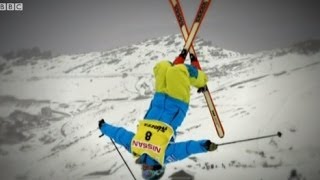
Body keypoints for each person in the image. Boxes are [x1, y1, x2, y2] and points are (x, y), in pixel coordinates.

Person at [99, 52, 218, 180]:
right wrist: (204, 146)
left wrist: (104, 127)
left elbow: (120, 135)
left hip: (159, 100)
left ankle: (177, 65)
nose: (144, 171)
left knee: (161, 67)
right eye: (148, 174)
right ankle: (201, 78)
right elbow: (186, 148)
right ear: (157, 171)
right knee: (178, 72)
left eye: (144, 174)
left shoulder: (135, 150)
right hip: (176, 105)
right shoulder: (164, 156)